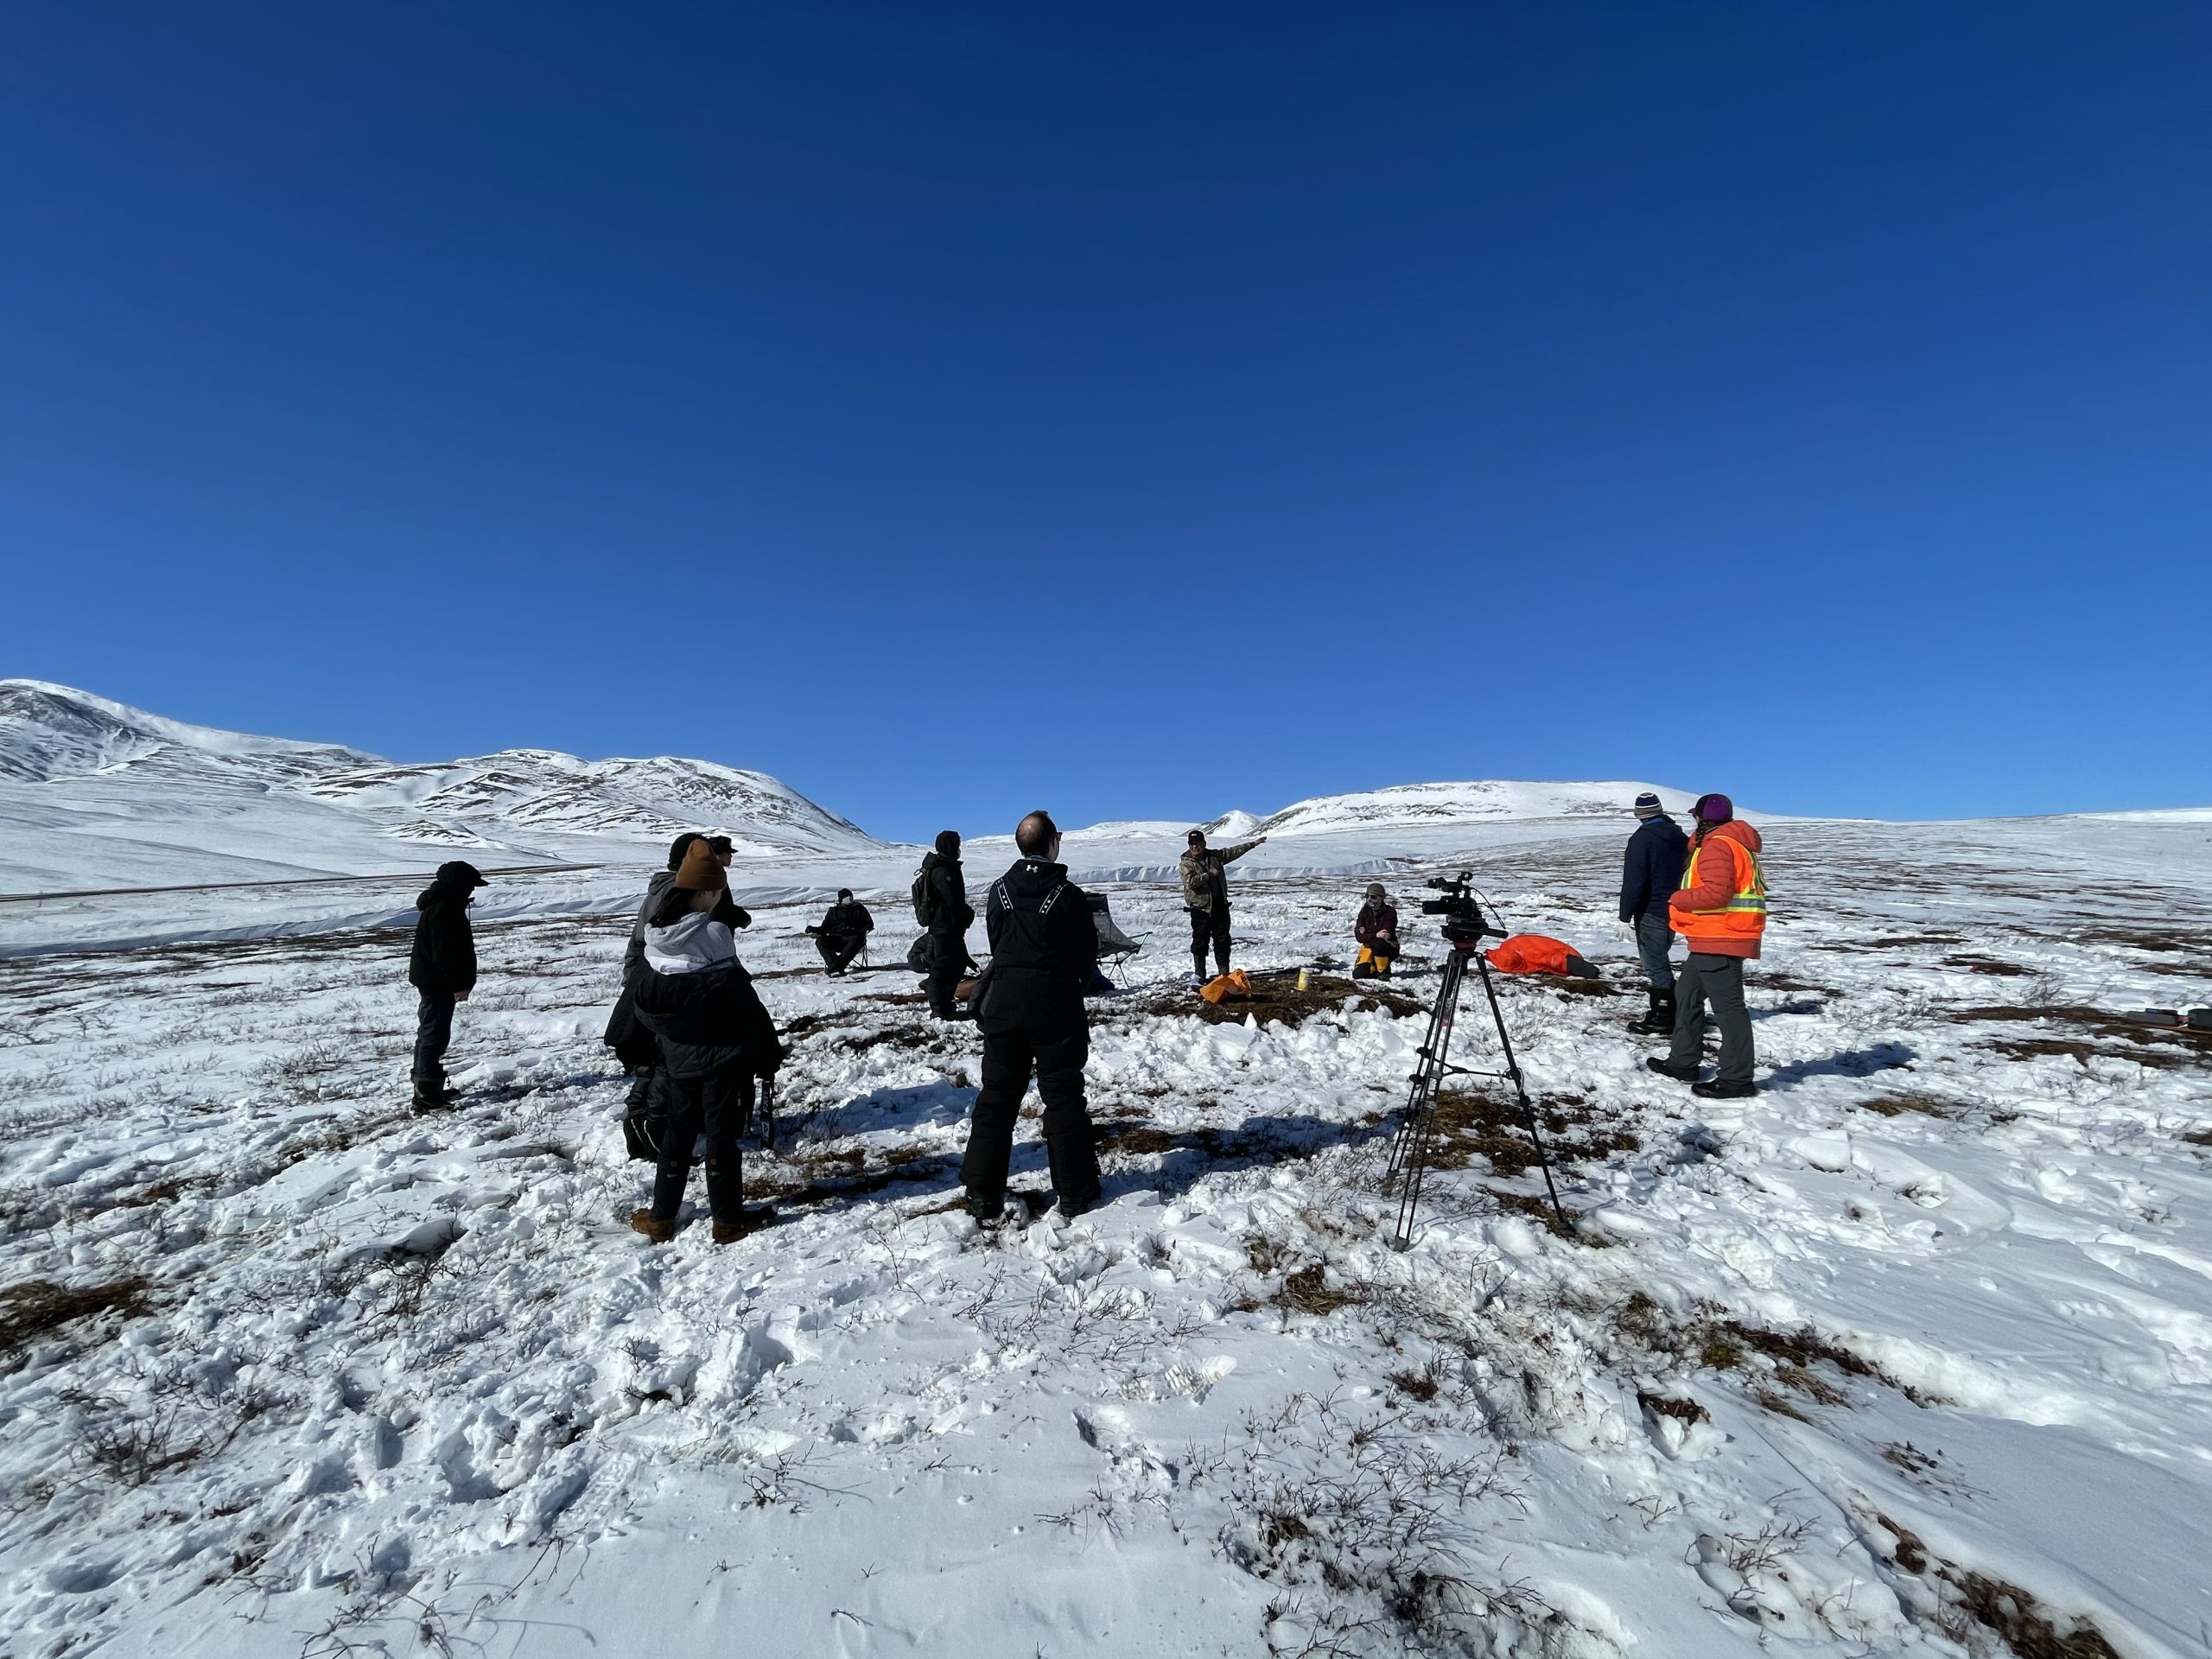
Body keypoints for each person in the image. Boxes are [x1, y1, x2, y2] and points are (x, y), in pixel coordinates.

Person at [628, 838, 784, 1243]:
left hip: (678, 1053)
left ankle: (662, 1218)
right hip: (721, 1052)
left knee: (678, 1133)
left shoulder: (657, 934)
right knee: (721, 1135)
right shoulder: (714, 933)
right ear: (707, 890)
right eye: (718, 889)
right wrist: (767, 1048)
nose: (720, 896)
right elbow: (738, 995)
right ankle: (727, 1219)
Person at [963, 811, 1102, 1224]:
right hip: (1055, 1005)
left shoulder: (998, 890)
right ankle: (1074, 1191)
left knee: (997, 1097)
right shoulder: (1068, 895)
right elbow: (1086, 955)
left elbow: (997, 941)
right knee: (1063, 1096)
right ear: (1053, 842)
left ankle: (982, 1191)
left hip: (1004, 1006)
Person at [1647, 793, 1766, 1099]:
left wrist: (1677, 898)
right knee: (1687, 995)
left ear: (1701, 818)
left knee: (1729, 1010)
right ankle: (1682, 1062)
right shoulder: (1730, 842)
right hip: (1711, 937)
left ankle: (1737, 1079)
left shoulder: (1717, 845)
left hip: (1721, 937)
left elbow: (1716, 894)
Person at [408, 861, 486, 1109]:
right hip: (437, 983)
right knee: (434, 1035)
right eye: (470, 886)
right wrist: (458, 985)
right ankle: (427, 1097)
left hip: (432, 980)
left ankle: (427, 1090)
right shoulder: (445, 910)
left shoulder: (441, 905)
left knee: (429, 1033)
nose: (472, 891)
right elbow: (445, 954)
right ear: (458, 886)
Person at [1617, 792, 1690, 1035]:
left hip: (1651, 910)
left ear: (1638, 815)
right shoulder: (1680, 837)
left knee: (1655, 964)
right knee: (1661, 960)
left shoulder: (1642, 839)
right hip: (1675, 908)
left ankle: (1664, 1016)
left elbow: (1634, 881)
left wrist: (1624, 916)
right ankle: (1677, 1011)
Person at [1179, 828, 1267, 988]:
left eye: (1197, 843)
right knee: (1200, 942)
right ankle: (1199, 975)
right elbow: (1190, 882)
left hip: (1220, 907)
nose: (1194, 847)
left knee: (1223, 941)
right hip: (1201, 910)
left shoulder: (1215, 856)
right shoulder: (1186, 863)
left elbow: (1233, 852)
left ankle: (1224, 974)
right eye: (1191, 844)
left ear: (1204, 843)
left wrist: (1253, 844)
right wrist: (1209, 874)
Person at [921, 830, 975, 1020]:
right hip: (944, 927)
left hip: (950, 926)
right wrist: (968, 913)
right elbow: (952, 900)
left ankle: (945, 1003)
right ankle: (939, 1008)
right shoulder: (943, 870)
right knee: (943, 968)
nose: (959, 849)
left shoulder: (947, 867)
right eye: (957, 845)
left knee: (957, 964)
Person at [808, 888, 874, 975]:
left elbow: (869, 924)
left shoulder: (860, 909)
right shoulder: (833, 911)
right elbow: (824, 928)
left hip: (853, 939)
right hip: (836, 939)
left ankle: (835, 968)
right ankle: (835, 966)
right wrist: (813, 929)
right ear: (841, 899)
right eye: (846, 898)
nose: (849, 899)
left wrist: (859, 932)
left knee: (855, 939)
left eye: (850, 897)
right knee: (820, 940)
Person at [1353, 884, 1400, 979]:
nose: (1369, 899)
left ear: (1382, 898)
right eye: (1367, 896)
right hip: (1368, 947)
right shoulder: (1364, 912)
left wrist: (1367, 933)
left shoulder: (1390, 912)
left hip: (1388, 947)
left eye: (1373, 897)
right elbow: (1359, 937)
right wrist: (1376, 934)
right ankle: (1374, 967)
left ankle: (1384, 971)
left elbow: (1385, 935)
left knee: (1378, 943)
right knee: (1359, 975)